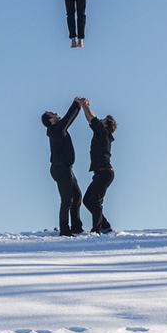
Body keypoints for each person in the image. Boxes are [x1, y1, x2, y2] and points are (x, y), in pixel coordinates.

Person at [42, 99, 84, 236]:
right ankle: (65, 230)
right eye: (53, 114)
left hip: (66, 168)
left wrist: (78, 106)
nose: (56, 113)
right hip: (60, 168)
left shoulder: (56, 129)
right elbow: (68, 118)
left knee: (77, 196)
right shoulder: (56, 129)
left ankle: (76, 227)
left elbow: (68, 120)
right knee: (67, 199)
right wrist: (77, 104)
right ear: (51, 120)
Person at [77, 97, 118, 234]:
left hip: (104, 172)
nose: (101, 120)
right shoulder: (100, 132)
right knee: (88, 200)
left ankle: (97, 229)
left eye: (104, 120)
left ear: (106, 125)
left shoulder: (103, 132)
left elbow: (92, 118)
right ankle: (104, 225)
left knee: (95, 201)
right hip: (100, 173)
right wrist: (84, 107)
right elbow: (90, 120)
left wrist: (85, 105)